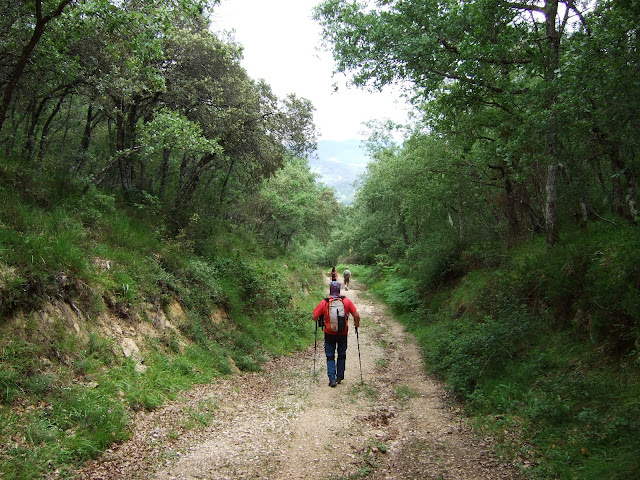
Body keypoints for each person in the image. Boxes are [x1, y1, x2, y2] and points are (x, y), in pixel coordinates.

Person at [312, 281, 360, 387]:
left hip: (329, 333)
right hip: (343, 333)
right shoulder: (346, 301)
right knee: (342, 354)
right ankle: (340, 376)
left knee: (330, 356)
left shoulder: (325, 302)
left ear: (330, 289)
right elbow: (356, 316)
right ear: (339, 289)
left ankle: (332, 380)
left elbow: (314, 317)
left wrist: (322, 317)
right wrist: (356, 325)